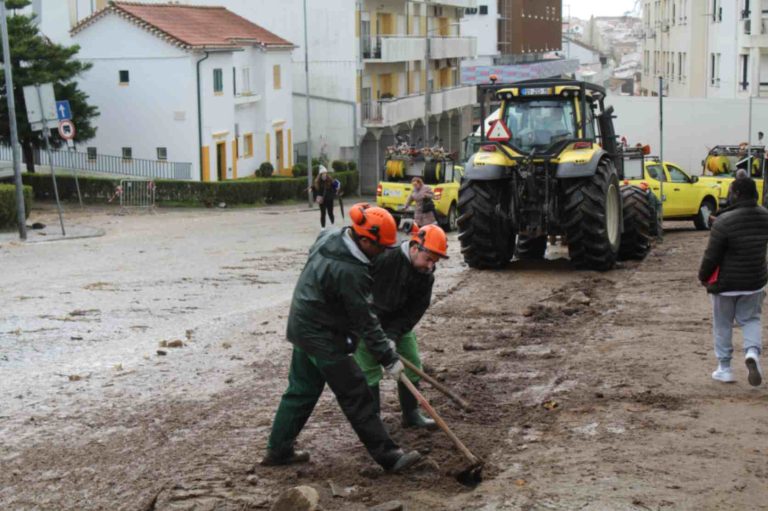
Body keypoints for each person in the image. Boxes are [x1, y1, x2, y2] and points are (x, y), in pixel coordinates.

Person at [261, 203, 421, 473]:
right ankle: (390, 457)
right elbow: (366, 320)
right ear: (365, 238)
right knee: (357, 395)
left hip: (301, 324)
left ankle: (278, 450)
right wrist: (388, 358)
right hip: (323, 336)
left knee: (301, 391)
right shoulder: (352, 272)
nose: (383, 252)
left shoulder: (330, 236)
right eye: (380, 246)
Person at [354, 224, 449, 430]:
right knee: (369, 371)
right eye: (429, 259)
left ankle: (411, 414)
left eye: (436, 261)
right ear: (415, 247)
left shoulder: (426, 276)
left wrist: (392, 336)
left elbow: (412, 312)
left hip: (397, 325)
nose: (431, 266)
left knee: (412, 362)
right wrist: (378, 336)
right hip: (368, 322)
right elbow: (360, 295)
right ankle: (374, 424)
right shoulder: (384, 259)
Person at [698, 178, 768, 386]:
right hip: (754, 281)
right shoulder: (766, 217)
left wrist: (703, 276)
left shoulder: (724, 221)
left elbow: (712, 256)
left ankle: (725, 368)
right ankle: (752, 352)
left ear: (736, 194)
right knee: (751, 319)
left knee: (722, 324)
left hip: (725, 284)